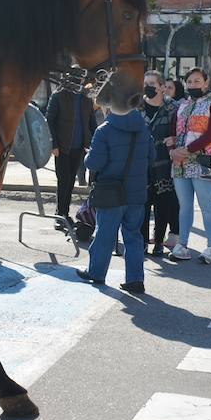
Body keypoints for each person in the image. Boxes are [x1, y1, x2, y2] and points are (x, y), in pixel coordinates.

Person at [76, 100, 154, 293]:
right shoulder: (143, 129)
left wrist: (87, 156)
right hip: (136, 192)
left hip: (111, 192)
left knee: (105, 234)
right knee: (134, 236)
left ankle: (96, 272)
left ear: (110, 108)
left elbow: (94, 163)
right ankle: (135, 280)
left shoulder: (104, 131)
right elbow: (151, 158)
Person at [168, 68, 211, 264]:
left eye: (197, 81)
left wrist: (187, 149)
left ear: (206, 82)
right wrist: (174, 147)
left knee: (207, 205)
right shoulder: (183, 105)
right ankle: (182, 245)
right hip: (180, 163)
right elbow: (176, 130)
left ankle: (210, 247)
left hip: (205, 161)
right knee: (184, 206)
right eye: (189, 81)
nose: (193, 85)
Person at [45, 73, 95, 228]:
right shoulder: (58, 96)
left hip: (79, 147)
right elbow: (49, 120)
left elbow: (91, 122)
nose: (79, 82)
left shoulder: (86, 98)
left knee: (70, 181)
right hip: (62, 147)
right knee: (63, 181)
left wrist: (94, 143)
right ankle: (60, 215)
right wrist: (53, 145)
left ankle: (64, 213)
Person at [140, 71, 179, 257]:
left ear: (162, 87)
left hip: (165, 164)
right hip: (141, 165)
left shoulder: (173, 108)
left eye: (152, 83)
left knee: (163, 205)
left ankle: (158, 242)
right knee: (143, 205)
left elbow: (180, 132)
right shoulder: (137, 106)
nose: (148, 86)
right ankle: (142, 242)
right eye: (146, 83)